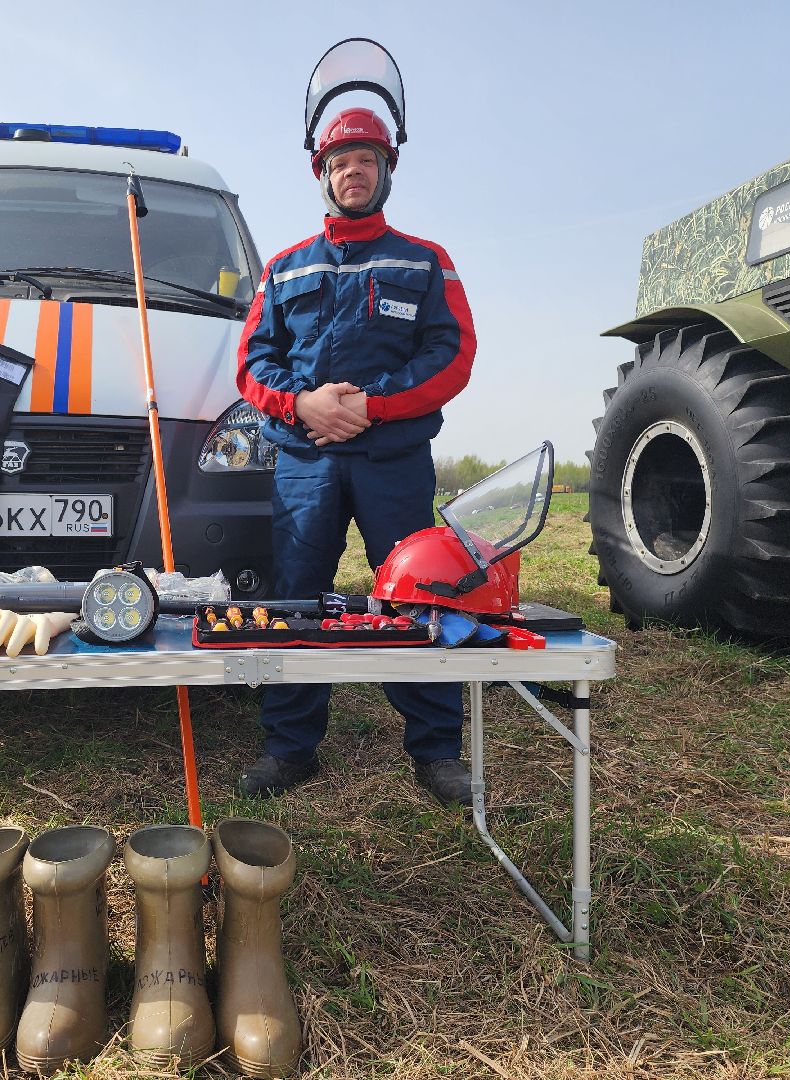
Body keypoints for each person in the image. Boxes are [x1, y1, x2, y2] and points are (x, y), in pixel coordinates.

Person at [233, 106, 476, 806]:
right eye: (340, 163)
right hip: (304, 461)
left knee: (415, 596)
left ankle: (435, 751)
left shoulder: (425, 261)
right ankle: (289, 748)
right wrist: (303, 404)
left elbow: (453, 355)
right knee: (295, 599)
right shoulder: (283, 270)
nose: (353, 172)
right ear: (322, 175)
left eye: (366, 160)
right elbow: (253, 364)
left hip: (392, 458)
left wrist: (370, 406)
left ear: (386, 169)